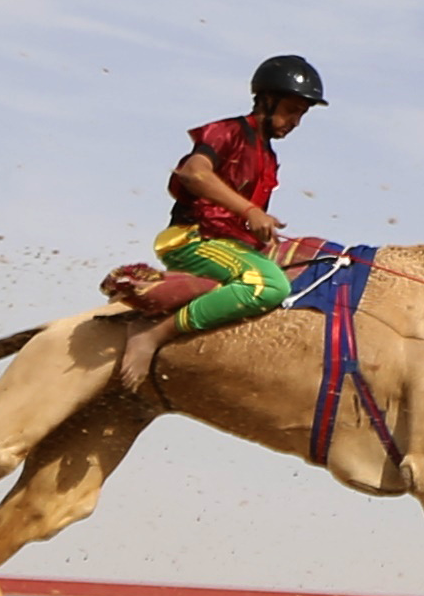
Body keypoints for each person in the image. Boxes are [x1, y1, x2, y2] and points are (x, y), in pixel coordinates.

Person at [108, 55, 330, 387]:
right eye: (291, 110)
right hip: (194, 240)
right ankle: (152, 334)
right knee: (270, 285)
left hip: (226, 244)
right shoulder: (228, 132)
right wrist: (251, 212)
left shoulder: (268, 156)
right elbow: (194, 173)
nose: (295, 122)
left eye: (301, 115)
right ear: (266, 100)